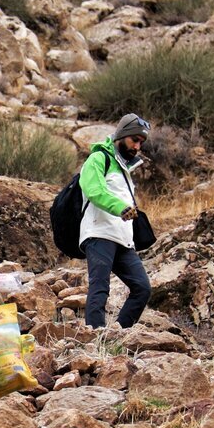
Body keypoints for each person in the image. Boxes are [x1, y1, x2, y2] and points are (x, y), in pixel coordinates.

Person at [79, 113, 153, 329]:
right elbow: (94, 190)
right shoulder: (98, 158)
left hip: (123, 239)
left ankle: (117, 333)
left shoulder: (124, 167)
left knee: (142, 288)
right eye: (134, 140)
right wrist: (120, 207)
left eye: (141, 143)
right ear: (122, 135)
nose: (137, 147)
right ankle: (94, 338)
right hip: (99, 234)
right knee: (100, 287)